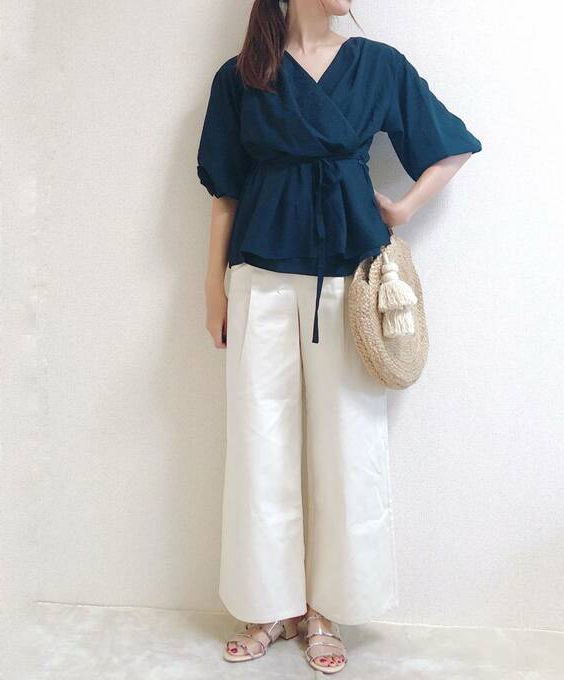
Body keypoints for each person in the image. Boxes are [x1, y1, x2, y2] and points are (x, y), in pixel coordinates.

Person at [196, 0, 481, 673]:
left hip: (349, 281)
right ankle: (267, 606)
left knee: (347, 445)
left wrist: (402, 208)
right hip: (260, 275)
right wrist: (212, 288)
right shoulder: (242, 75)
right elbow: (225, 193)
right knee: (259, 445)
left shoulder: (379, 66)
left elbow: (451, 146)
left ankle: (327, 609)